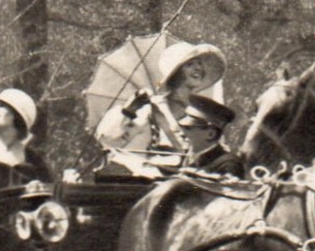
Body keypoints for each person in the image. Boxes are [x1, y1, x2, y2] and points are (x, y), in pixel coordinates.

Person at [94, 41, 243, 178]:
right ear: (176, 71)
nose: (199, 68)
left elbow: (214, 146)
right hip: (153, 179)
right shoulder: (153, 108)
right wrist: (129, 109)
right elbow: (108, 140)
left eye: (200, 64)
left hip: (193, 178)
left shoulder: (203, 111)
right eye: (190, 64)